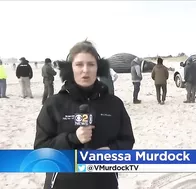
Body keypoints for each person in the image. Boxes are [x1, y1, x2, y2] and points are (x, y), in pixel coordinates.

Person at [33, 40, 135, 189]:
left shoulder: (114, 104)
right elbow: (41, 150)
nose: (85, 70)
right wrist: (72, 138)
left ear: (98, 68)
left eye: (91, 64)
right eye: (79, 64)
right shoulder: (54, 104)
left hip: (105, 182)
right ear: (70, 68)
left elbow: (127, 140)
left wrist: (112, 150)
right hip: (63, 183)